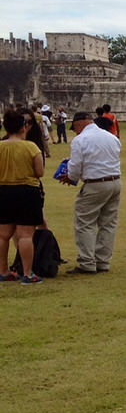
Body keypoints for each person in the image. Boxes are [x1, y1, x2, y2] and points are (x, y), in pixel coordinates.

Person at [57, 111, 122, 274]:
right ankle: (103, 261)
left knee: (85, 223)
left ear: (79, 124)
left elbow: (75, 166)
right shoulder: (111, 137)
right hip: (115, 181)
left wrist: (70, 178)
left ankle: (87, 262)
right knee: (109, 223)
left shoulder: (80, 140)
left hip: (95, 183)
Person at [0, 108, 46, 284]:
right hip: (27, 191)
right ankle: (28, 273)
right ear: (23, 128)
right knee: (26, 235)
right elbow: (39, 172)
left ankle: (3, 271)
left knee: (3, 235)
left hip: (3, 191)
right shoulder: (31, 147)